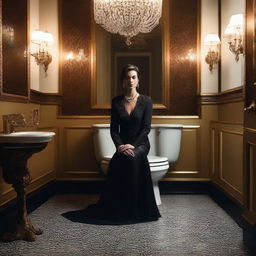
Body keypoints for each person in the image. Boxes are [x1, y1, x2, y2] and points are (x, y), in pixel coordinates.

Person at [63, 64, 161, 225]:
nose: (130, 80)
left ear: (138, 80)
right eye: (127, 77)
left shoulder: (146, 101)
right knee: (119, 160)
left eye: (133, 77)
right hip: (122, 144)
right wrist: (120, 146)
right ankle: (119, 207)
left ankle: (136, 209)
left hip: (140, 144)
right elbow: (114, 129)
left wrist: (133, 146)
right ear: (122, 81)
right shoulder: (116, 101)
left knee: (132, 158)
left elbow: (146, 128)